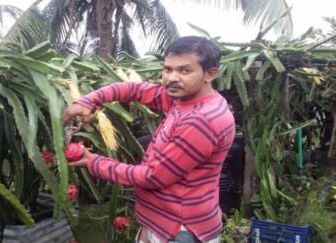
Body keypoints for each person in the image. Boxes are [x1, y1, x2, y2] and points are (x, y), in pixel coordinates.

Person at [62, 36, 235, 243]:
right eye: (167, 69)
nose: (172, 78)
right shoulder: (185, 99)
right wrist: (90, 100)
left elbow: (154, 177)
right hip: (164, 223)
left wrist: (94, 163)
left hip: (179, 230)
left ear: (210, 74)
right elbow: (135, 89)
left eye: (184, 70)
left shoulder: (201, 120)